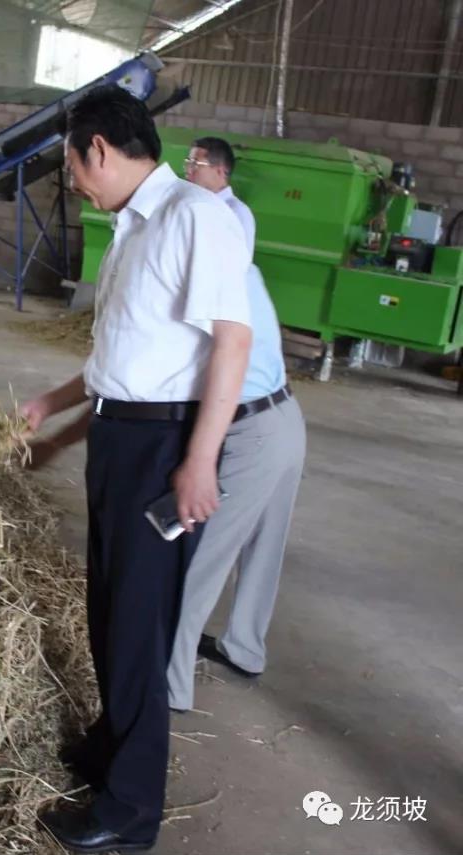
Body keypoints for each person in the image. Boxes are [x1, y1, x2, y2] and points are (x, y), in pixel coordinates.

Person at [22, 86, 252, 853]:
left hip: (163, 449)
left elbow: (232, 343)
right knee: (110, 605)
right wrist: (51, 406)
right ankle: (110, 746)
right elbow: (123, 358)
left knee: (139, 627)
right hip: (120, 437)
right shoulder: (130, 228)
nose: (75, 180)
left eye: (72, 164)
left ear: (98, 149)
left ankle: (129, 809)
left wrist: (198, 462)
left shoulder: (196, 216)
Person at [167, 137, 307, 710]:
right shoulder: (236, 254)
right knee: (263, 545)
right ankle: (245, 647)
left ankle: (169, 688)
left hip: (252, 431)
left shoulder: (215, 264)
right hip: (286, 418)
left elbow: (207, 363)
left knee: (201, 562)